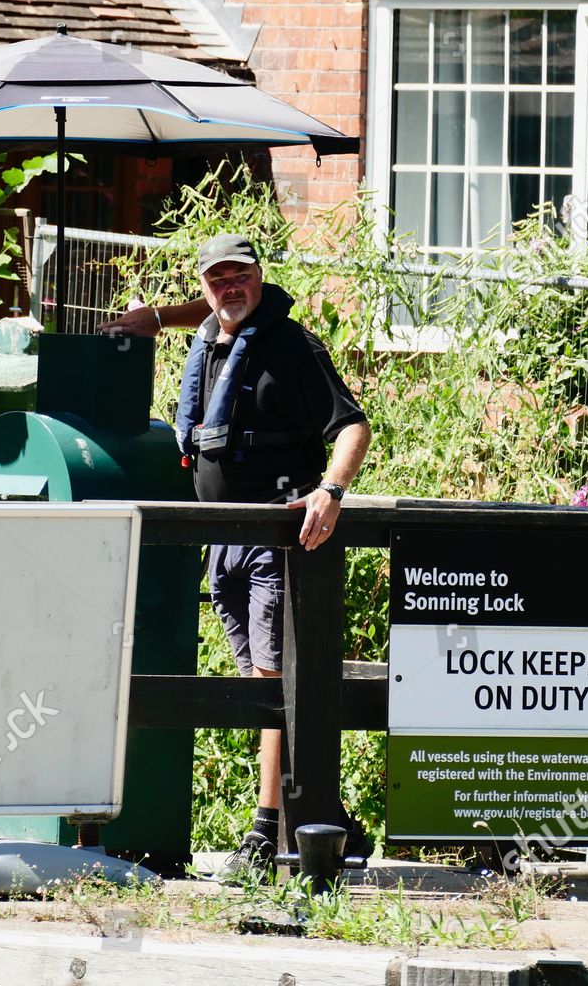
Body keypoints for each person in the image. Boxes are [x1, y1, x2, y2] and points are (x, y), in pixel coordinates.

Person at [100, 233, 372, 877]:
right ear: (204, 285)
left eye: (241, 275)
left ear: (261, 276)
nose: (230, 286)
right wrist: (156, 320)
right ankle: (328, 821)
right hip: (221, 542)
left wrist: (329, 493)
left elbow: (353, 426)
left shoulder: (292, 345)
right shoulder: (216, 335)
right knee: (266, 685)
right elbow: (219, 313)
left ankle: (263, 833)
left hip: (280, 541)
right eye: (216, 277)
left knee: (269, 685)